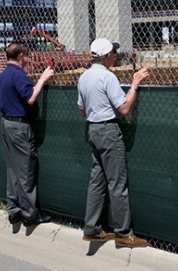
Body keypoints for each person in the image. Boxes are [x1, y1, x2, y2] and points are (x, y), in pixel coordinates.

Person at [77, 38, 150, 248]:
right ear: (107, 56)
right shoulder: (108, 78)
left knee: (97, 182)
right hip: (109, 131)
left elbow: (83, 111)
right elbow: (124, 109)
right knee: (117, 183)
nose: (116, 56)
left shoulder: (84, 78)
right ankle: (124, 234)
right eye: (113, 53)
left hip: (93, 129)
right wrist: (134, 84)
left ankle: (92, 229)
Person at [0, 42, 55, 226]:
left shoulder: (3, 74)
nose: (28, 59)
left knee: (12, 169)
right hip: (19, 127)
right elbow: (30, 97)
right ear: (21, 56)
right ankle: (30, 214)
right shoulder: (17, 74)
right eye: (27, 56)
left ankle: (14, 211)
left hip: (6, 123)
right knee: (25, 170)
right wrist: (43, 78)